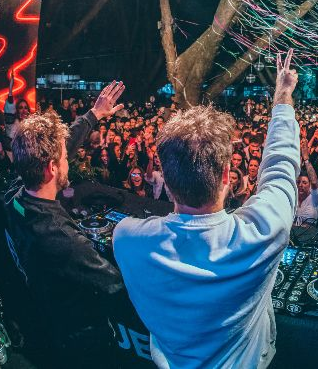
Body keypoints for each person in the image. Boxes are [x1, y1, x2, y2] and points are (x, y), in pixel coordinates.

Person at [113, 49, 300, 368]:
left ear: (166, 179)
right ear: (227, 175)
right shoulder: (265, 231)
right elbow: (281, 165)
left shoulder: (128, 239)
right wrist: (282, 95)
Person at [2, 81, 126, 366]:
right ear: (52, 168)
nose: (68, 159)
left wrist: (93, 115)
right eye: (63, 158)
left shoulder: (14, 196)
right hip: (76, 339)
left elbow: (62, 145)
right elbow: (115, 285)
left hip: (40, 316)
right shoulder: (61, 238)